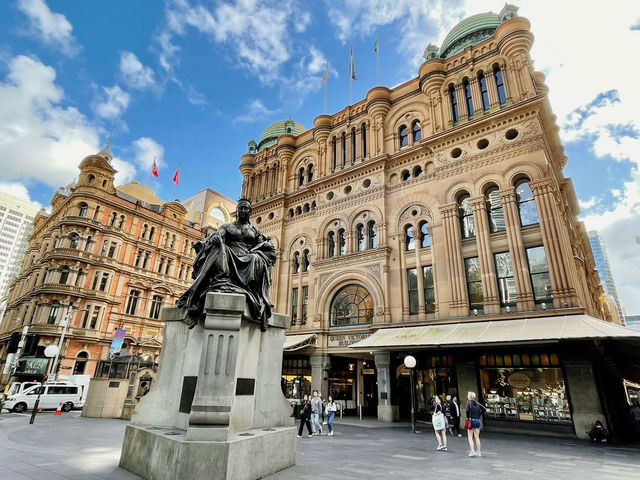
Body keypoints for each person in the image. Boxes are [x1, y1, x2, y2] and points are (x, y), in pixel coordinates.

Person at [177, 198, 276, 331]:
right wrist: (216, 238)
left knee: (254, 258)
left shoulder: (254, 230)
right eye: (240, 208)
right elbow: (216, 235)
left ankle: (241, 286)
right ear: (237, 210)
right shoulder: (228, 227)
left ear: (250, 211)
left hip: (248, 256)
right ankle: (218, 282)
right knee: (219, 249)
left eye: (246, 208)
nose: (243, 210)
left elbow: (265, 246)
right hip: (228, 254)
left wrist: (265, 248)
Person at [465, 391, 486, 457]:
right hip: (477, 420)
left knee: (470, 437)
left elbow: (467, 411)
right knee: (477, 437)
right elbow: (484, 409)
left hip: (472, 420)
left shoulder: (468, 402)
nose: (467, 396)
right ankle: (479, 452)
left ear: (470, 396)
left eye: (468, 395)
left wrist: (468, 418)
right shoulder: (477, 403)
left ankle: (472, 451)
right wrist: (479, 415)